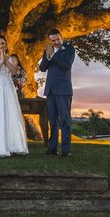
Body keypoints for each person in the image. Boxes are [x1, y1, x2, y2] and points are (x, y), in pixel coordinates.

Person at [39, 28, 75, 158]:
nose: (56, 42)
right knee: (52, 121)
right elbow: (42, 68)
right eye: (53, 40)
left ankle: (66, 150)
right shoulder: (48, 50)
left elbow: (66, 65)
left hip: (64, 90)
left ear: (61, 37)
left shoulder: (69, 49)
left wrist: (53, 56)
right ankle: (52, 148)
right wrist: (48, 56)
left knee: (64, 120)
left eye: (57, 39)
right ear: (50, 40)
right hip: (50, 90)